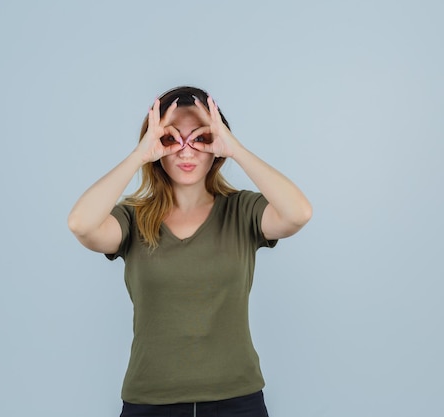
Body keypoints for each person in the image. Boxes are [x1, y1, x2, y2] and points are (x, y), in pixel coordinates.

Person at [68, 86, 312, 417]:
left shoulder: (241, 211)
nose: (186, 151)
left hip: (237, 401)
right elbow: (81, 224)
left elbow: (298, 213)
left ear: (217, 142)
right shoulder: (133, 217)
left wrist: (236, 150)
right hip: (150, 402)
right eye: (170, 139)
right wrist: (138, 155)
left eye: (200, 137)